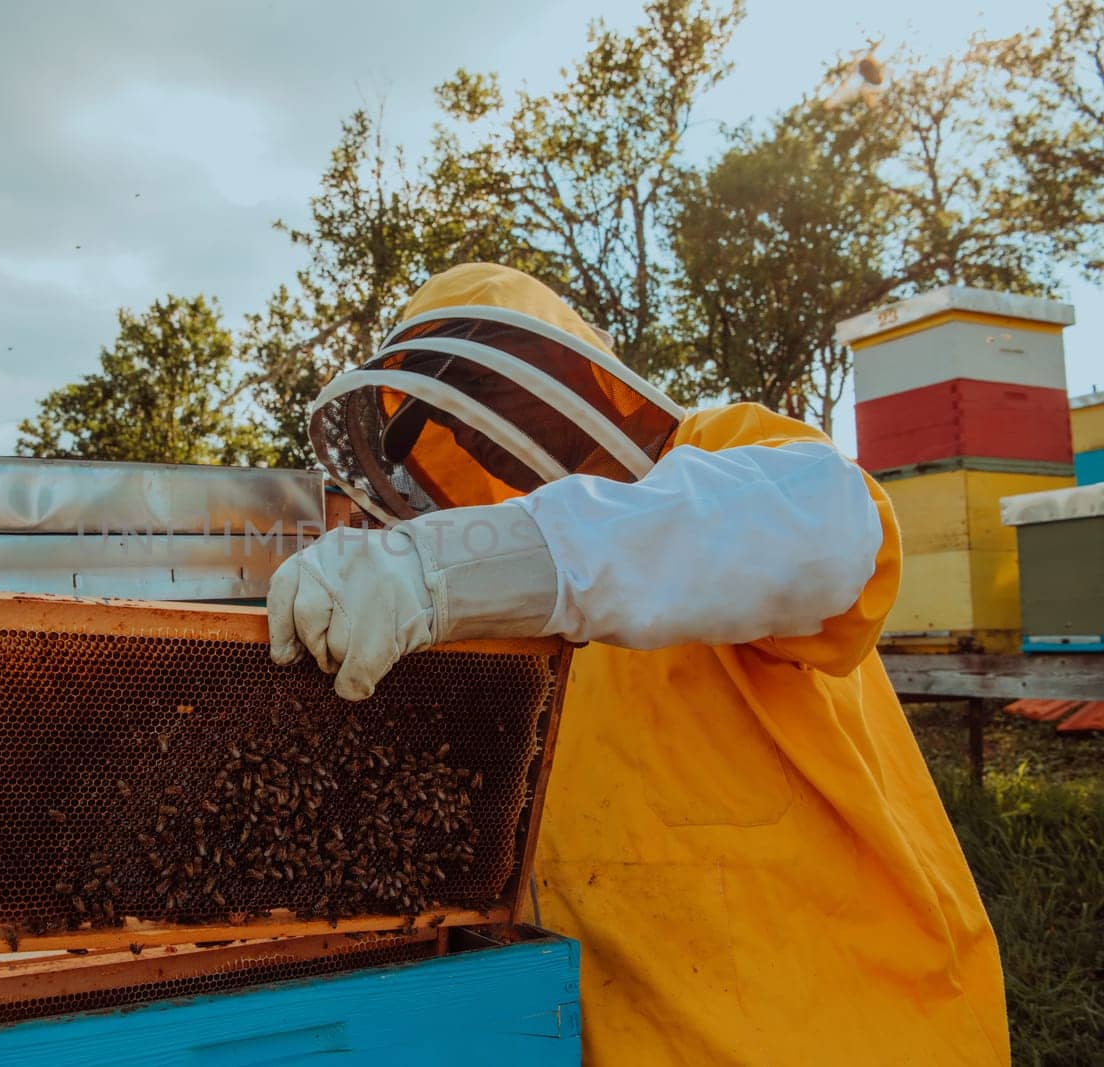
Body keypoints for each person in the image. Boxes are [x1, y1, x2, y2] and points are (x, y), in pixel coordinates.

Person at [267, 262, 1008, 1064]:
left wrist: (443, 569)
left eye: (493, 393)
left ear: (571, 370)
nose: (483, 440)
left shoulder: (722, 458)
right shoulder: (500, 642)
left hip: (857, 1035)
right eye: (442, 429)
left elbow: (835, 533)